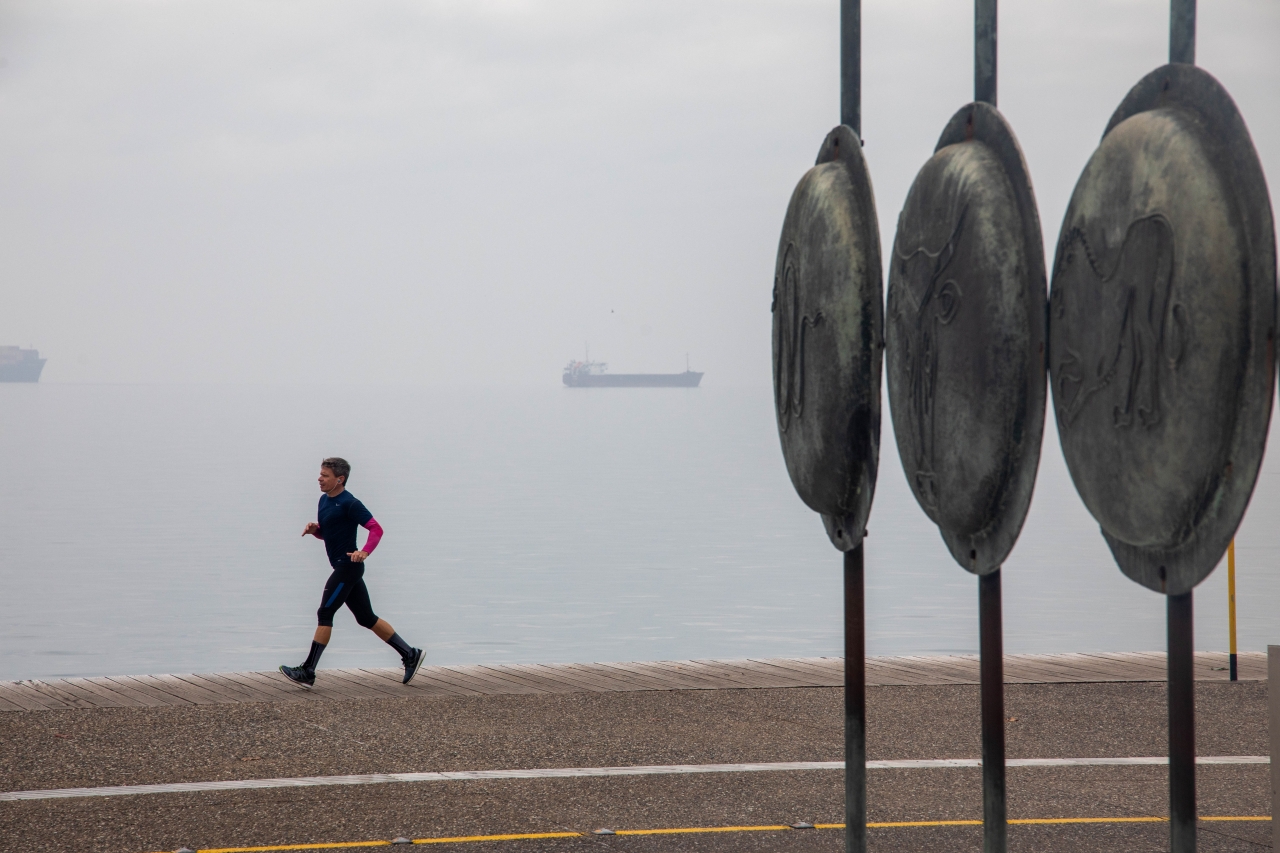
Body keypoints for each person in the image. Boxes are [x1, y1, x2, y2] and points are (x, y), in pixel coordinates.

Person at [280, 457, 425, 688]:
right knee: (366, 618)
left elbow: (376, 529)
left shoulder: (350, 503)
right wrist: (316, 530)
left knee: (325, 612)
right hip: (343, 567)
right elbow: (330, 533)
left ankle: (308, 671)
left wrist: (364, 552)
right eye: (320, 474)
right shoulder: (323, 501)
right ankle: (410, 654)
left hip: (349, 567)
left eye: (325, 476)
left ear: (340, 479)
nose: (319, 478)